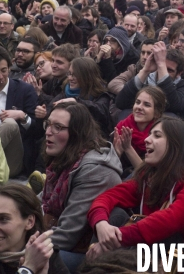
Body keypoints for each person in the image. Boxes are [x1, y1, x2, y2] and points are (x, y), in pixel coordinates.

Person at [87, 118, 184, 256]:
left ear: (176, 144)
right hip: (143, 248)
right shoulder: (150, 173)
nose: (146, 139)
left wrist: (117, 237)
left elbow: (171, 219)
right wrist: (101, 224)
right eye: (150, 134)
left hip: (174, 257)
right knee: (115, 214)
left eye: (156, 135)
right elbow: (107, 197)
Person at [41, 103, 122, 272]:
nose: (48, 132)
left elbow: (67, 236)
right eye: (48, 124)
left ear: (77, 133)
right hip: (63, 239)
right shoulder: (66, 158)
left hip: (84, 251)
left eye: (58, 127)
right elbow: (36, 205)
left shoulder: (95, 171)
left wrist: (21, 248)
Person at [0, 183, 68, 274]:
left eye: (3, 219)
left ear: (29, 222)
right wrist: (29, 268)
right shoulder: (33, 263)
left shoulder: (44, 254)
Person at [115, 42, 184, 121]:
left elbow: (174, 105)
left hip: (162, 129)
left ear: (179, 73)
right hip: (137, 128)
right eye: (161, 67)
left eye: (169, 70)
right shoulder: (145, 79)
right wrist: (145, 70)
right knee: (125, 113)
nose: (163, 71)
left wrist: (161, 65)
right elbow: (121, 102)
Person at [0, 46, 38, 176]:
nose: (0, 76)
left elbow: (36, 131)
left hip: (12, 158)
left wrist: (22, 115)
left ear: (10, 68)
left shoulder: (24, 90)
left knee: (9, 124)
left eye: (4, 70)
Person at [52, 57, 113, 137]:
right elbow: (52, 105)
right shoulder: (66, 90)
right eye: (69, 73)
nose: (70, 78)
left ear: (87, 76)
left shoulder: (102, 95)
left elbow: (100, 112)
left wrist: (76, 101)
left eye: (75, 75)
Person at [113, 86, 166, 172]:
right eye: (137, 102)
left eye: (147, 105)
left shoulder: (160, 137)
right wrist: (117, 154)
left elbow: (149, 175)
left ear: (157, 113)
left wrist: (128, 148)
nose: (139, 107)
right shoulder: (121, 128)